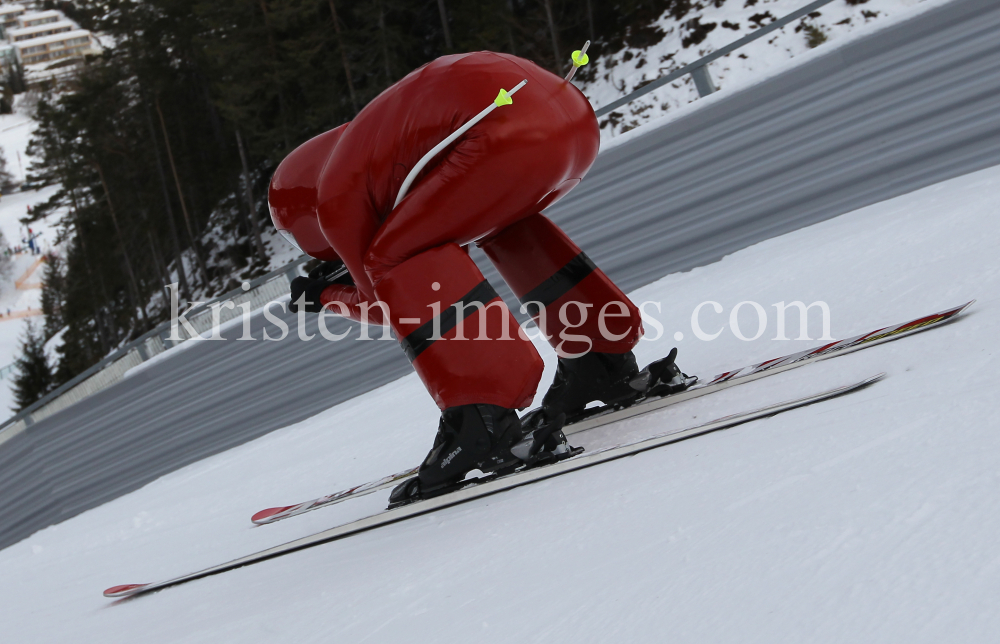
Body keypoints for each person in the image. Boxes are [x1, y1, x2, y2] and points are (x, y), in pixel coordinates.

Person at [268, 51, 690, 504]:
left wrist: (327, 295)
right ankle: (599, 358)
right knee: (505, 227)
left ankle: (481, 422)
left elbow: (395, 301)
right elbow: (438, 270)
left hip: (500, 133)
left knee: (390, 257)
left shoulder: (335, 194)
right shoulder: (388, 148)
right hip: (571, 119)